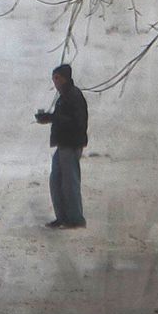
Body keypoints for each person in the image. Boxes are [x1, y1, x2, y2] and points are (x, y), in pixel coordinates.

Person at [34, 62, 89, 229]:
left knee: (69, 182)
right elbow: (62, 118)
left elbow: (77, 121)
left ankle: (75, 218)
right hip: (63, 144)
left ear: (65, 78)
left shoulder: (73, 95)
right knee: (56, 181)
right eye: (53, 79)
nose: (55, 82)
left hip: (71, 144)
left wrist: (53, 118)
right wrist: (49, 118)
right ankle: (63, 217)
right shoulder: (64, 96)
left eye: (57, 78)